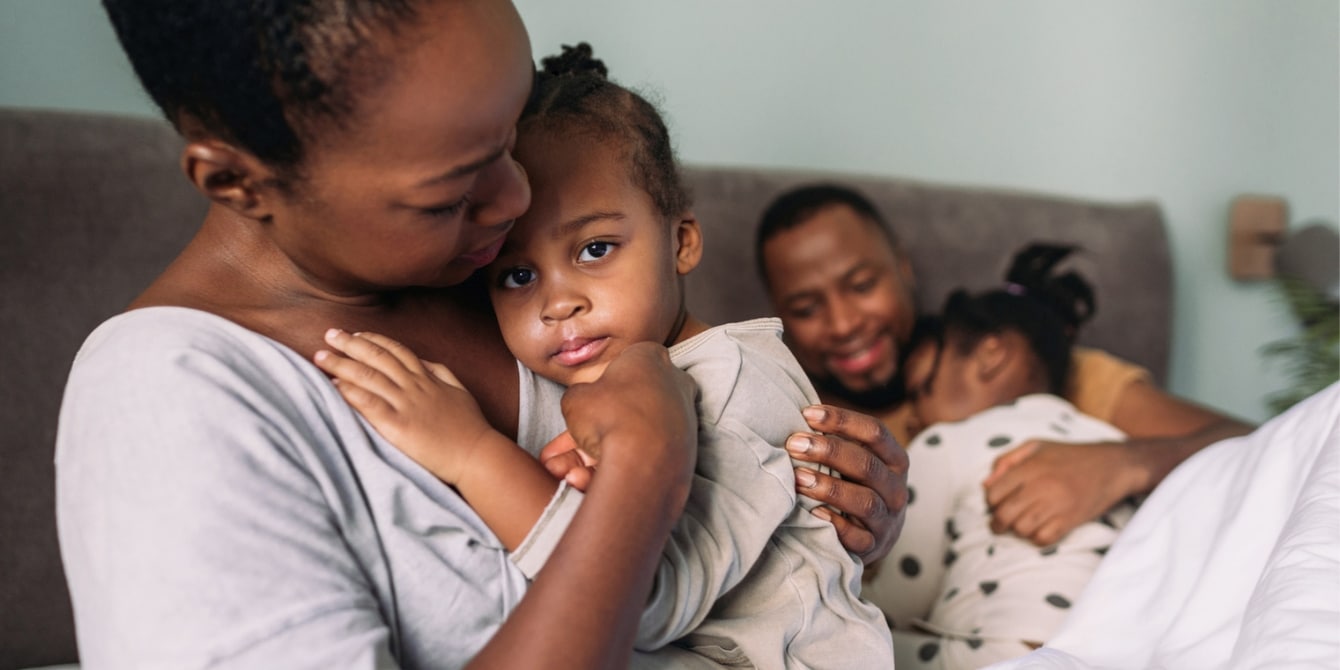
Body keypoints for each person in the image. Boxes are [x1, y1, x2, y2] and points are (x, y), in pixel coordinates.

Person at [55, 3, 907, 668]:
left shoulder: (491, 273)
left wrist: (841, 516)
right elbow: (652, 560)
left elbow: (755, 567)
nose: (512, 207)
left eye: (508, 137)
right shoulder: (170, 397)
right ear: (237, 179)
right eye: (452, 189)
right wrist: (647, 469)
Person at [318, 44, 896, 669]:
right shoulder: (599, 381)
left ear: (681, 242)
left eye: (595, 249)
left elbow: (641, 593)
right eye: (516, 276)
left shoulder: (736, 380)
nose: (558, 303)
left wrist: (469, 452)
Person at [755, 183, 1253, 551]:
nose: (843, 324)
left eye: (863, 285)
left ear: (903, 269)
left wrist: (1122, 463)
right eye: (805, 308)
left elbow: (1256, 446)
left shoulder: (1030, 371)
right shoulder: (796, 429)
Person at [878, 244, 1136, 670]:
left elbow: (902, 597)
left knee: (834, 636)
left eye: (923, 387)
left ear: (991, 354)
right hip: (1114, 655)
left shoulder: (946, 441)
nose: (914, 418)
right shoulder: (1109, 441)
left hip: (1004, 656)